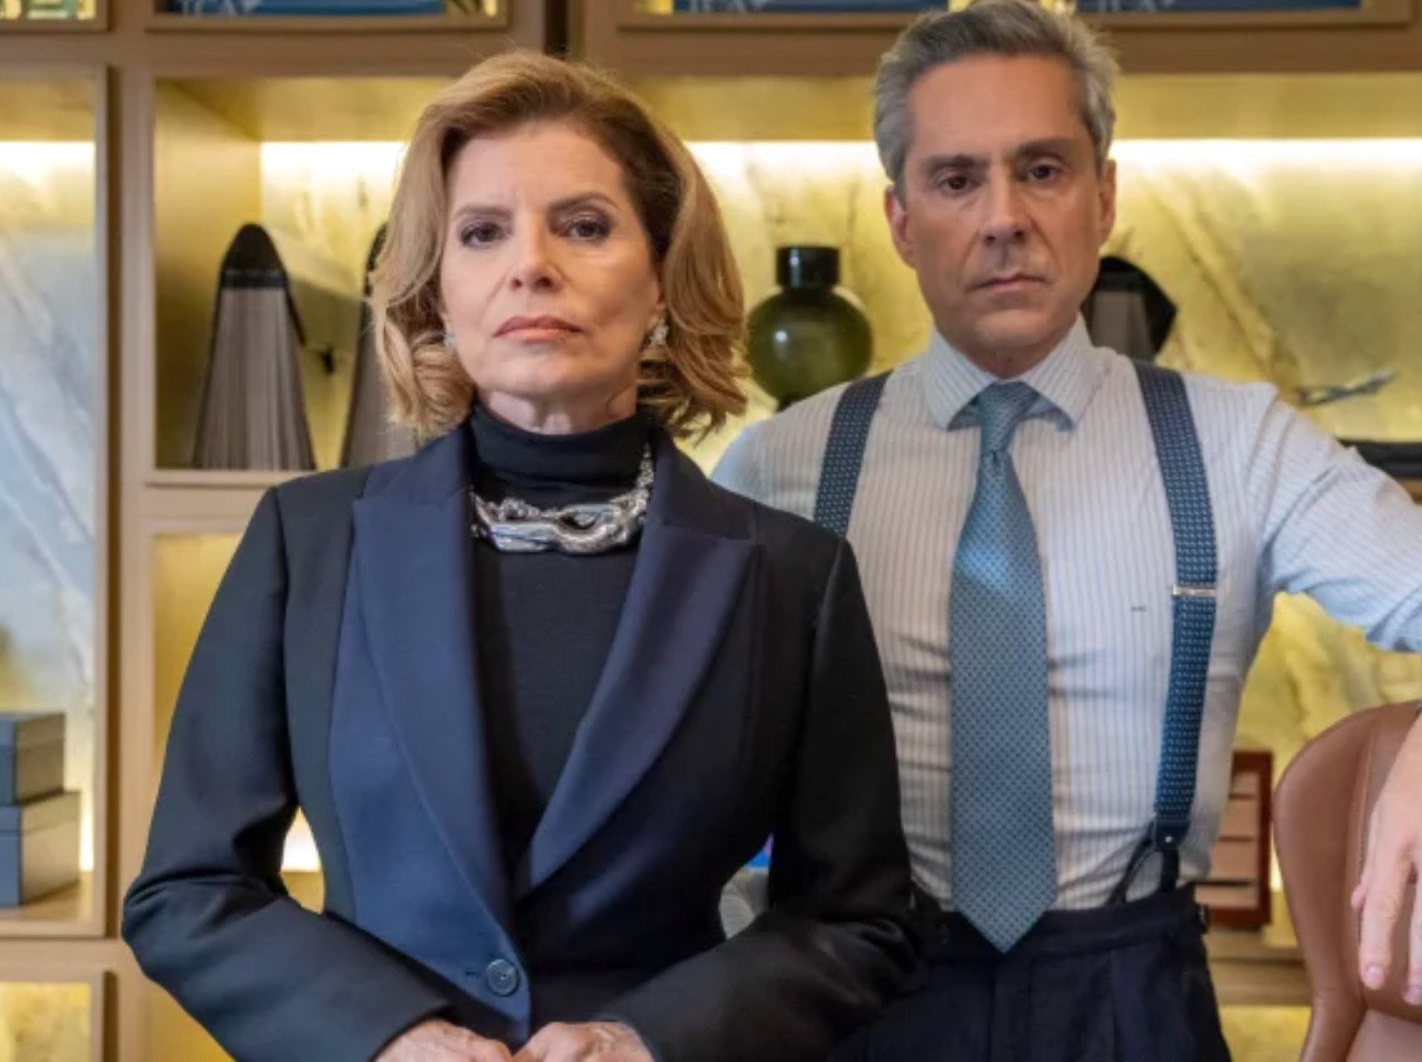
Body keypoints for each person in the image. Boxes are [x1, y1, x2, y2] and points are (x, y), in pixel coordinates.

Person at [711, 0, 1422, 1062]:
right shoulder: (782, 465)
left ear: (1104, 196)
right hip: (858, 992)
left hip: (1132, 998)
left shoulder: (1236, 443)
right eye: (956, 179)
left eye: (1041, 169)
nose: (1003, 217)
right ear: (900, 221)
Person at [123, 51, 918, 1062]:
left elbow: (856, 920)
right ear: (438, 291)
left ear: (662, 279)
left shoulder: (792, 576)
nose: (530, 264)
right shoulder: (306, 541)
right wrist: (385, 1037)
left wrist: (645, 1040)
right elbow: (190, 889)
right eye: (482, 232)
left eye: (583, 226)